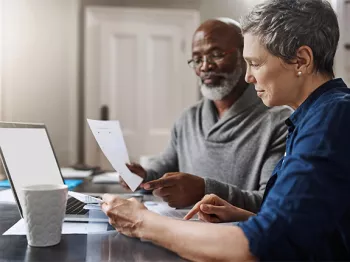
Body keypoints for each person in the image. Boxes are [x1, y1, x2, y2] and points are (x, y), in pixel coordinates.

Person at [102, 0, 350, 260]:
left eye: (255, 63)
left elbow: (263, 244)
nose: (248, 76)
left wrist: (143, 222)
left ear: (301, 60)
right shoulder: (312, 118)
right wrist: (243, 215)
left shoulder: (331, 119)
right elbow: (302, 227)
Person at [122, 18, 292, 211]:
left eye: (216, 54)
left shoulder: (279, 122)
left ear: (245, 56)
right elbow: (164, 166)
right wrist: (144, 178)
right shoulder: (188, 118)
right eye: (197, 59)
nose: (204, 66)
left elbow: (271, 202)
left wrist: (205, 190)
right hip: (183, 232)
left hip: (238, 237)